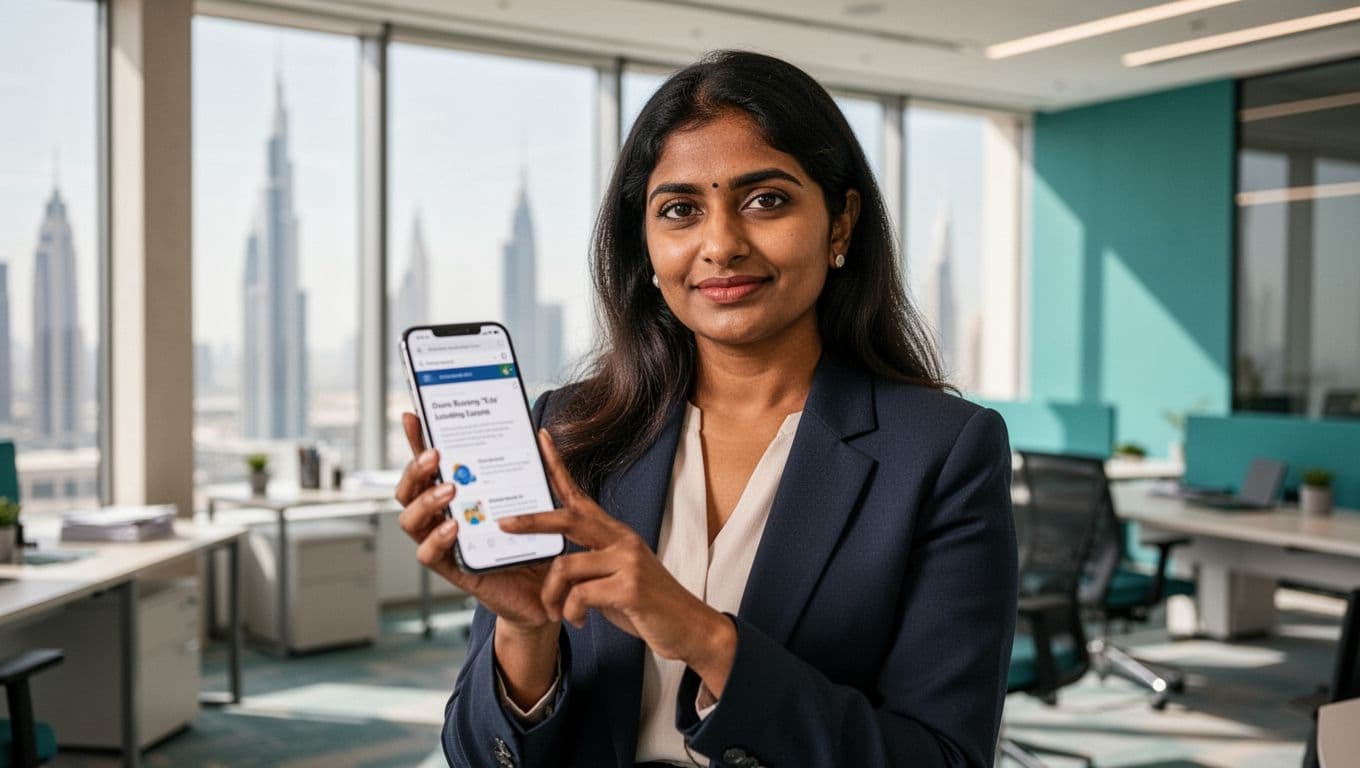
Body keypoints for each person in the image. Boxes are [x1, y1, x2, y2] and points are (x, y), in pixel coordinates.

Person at [396, 50, 1017, 768]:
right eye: (680, 210)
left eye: (767, 200)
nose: (720, 244)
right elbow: (481, 757)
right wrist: (525, 632)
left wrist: (704, 637)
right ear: (646, 243)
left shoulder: (942, 451)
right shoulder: (570, 433)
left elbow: (943, 758)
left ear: (840, 225)